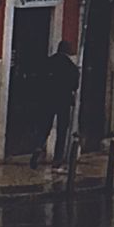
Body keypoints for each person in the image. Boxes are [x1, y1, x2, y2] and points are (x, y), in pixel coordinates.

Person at [30, 41, 79, 170]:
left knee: (44, 127)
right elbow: (75, 86)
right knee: (62, 130)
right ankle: (57, 160)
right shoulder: (71, 67)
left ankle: (38, 147)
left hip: (47, 100)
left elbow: (39, 79)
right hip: (63, 101)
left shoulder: (47, 62)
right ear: (67, 50)